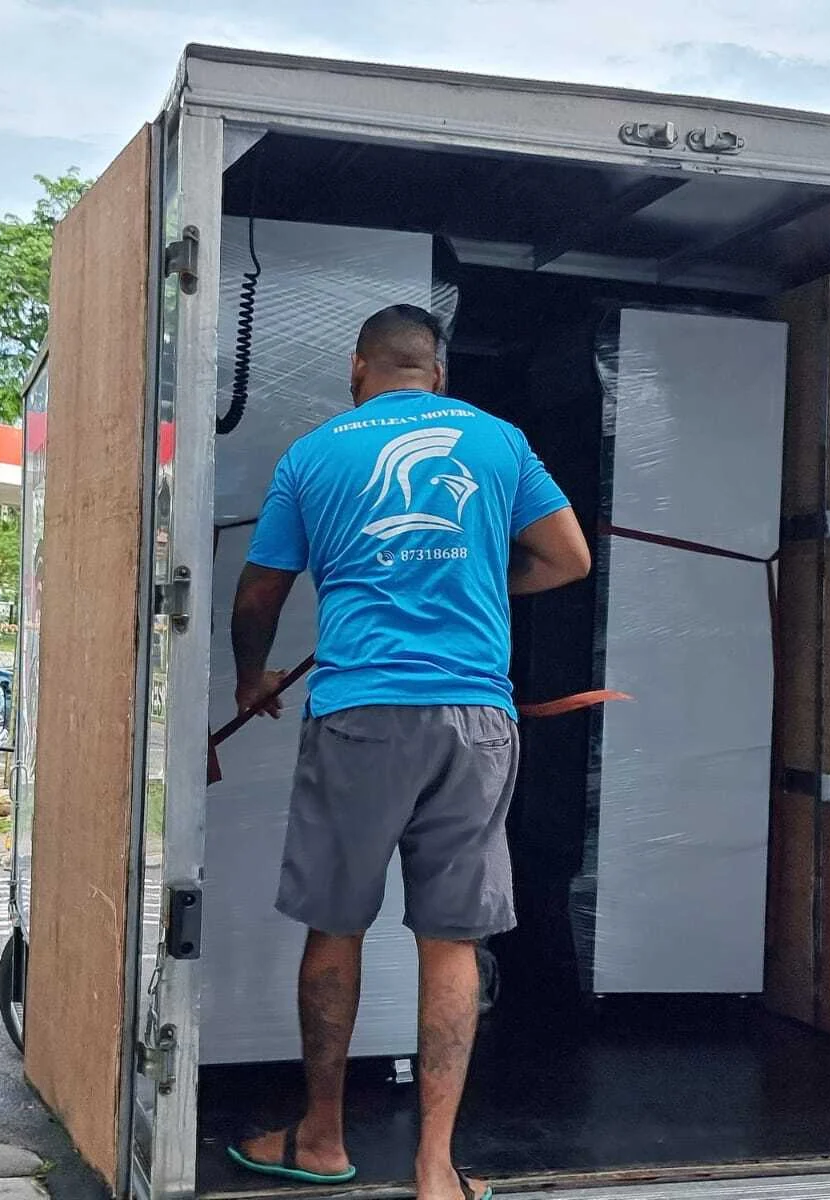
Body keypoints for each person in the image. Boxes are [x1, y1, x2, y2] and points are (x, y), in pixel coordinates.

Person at [227, 305, 591, 1200]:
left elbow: (259, 595)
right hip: (473, 721)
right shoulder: (500, 441)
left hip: (361, 716)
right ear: (439, 370)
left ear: (358, 368)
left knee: (335, 926)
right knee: (452, 941)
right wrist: (478, 574)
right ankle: (435, 1171)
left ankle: (321, 1139)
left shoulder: (315, 453)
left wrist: (252, 677)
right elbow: (569, 558)